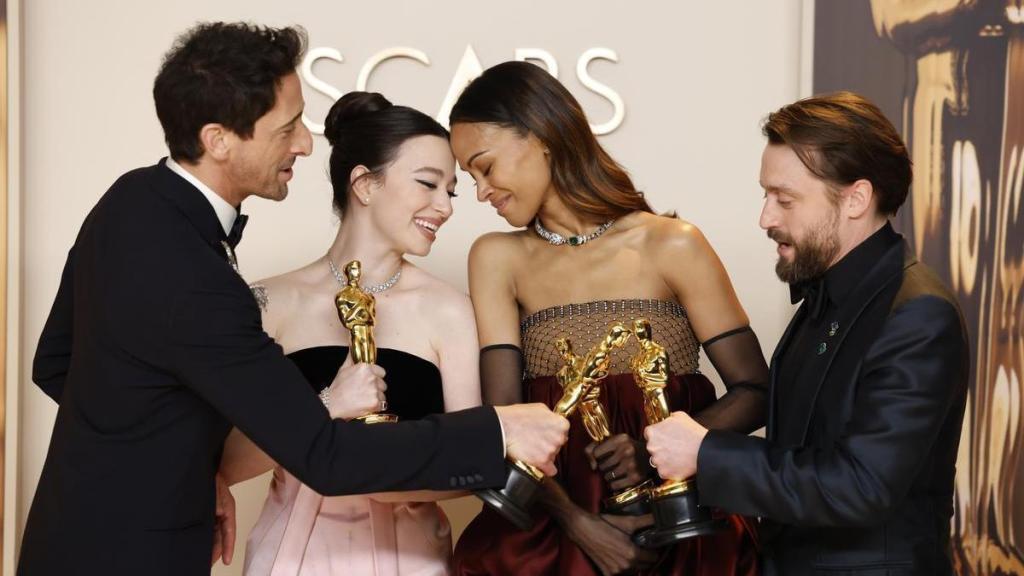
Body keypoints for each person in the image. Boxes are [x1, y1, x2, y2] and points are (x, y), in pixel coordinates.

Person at [21, 24, 568, 576]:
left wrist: (183, 470)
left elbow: (56, 363)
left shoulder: (129, 201)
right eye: (287, 129)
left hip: (66, 538)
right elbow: (325, 456)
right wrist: (497, 430)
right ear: (218, 139)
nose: (306, 143)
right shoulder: (205, 279)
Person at [448, 61, 765, 576]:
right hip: (556, 530)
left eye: (485, 167)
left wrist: (653, 452)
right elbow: (504, 422)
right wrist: (578, 524)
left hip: (684, 526)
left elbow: (755, 391)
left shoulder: (673, 243)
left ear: (540, 136)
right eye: (470, 177)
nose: (481, 192)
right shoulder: (496, 258)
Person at [645, 92, 970, 576]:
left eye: (785, 199)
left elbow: (862, 486)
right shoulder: (823, 297)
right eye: (765, 195)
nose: (766, 218)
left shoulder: (919, 316)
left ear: (856, 198)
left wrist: (705, 452)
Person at [218, 91, 482, 575]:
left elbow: (469, 465)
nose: (444, 206)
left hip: (412, 559)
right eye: (428, 184)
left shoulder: (449, 310)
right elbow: (225, 466)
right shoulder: (266, 303)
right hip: (290, 557)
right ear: (364, 183)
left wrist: (368, 470)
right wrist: (324, 408)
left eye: (451, 191)